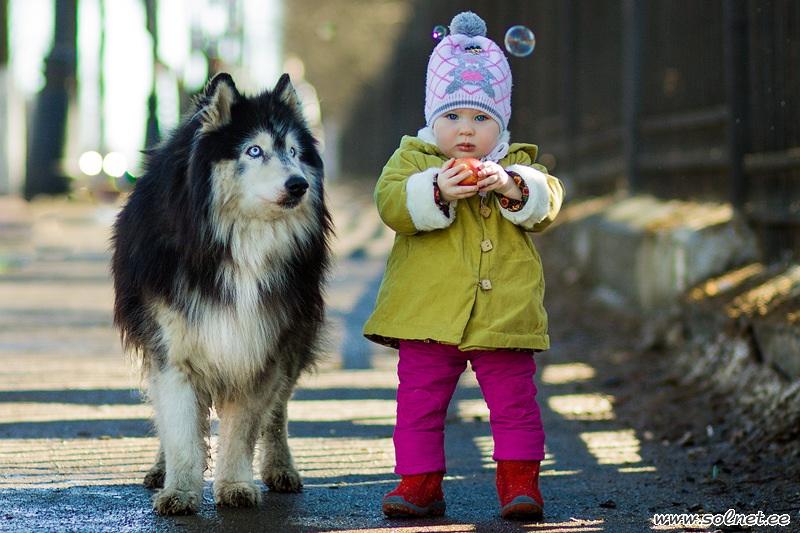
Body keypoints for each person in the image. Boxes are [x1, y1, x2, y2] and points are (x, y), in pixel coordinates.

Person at [362, 11, 565, 521]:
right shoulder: (412, 160)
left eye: (481, 118)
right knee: (419, 405)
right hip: (427, 318)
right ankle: (419, 484)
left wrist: (513, 185)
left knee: (515, 402)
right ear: (433, 118)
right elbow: (390, 204)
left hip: (503, 317)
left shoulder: (517, 163)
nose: (467, 132)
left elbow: (548, 202)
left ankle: (521, 485)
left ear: (502, 121)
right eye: (452, 117)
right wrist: (435, 190)